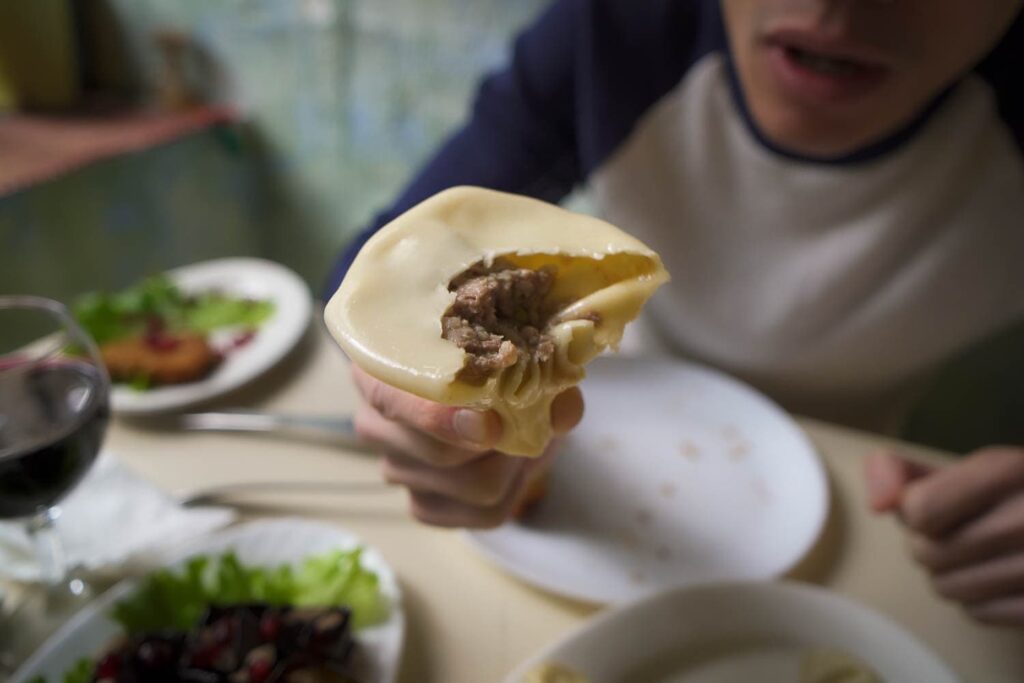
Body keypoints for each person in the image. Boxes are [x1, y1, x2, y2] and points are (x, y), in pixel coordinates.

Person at [323, 0, 1024, 626]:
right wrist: (400, 383)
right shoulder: (623, 27)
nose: (835, 13)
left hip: (875, 525)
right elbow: (371, 267)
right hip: (607, 449)